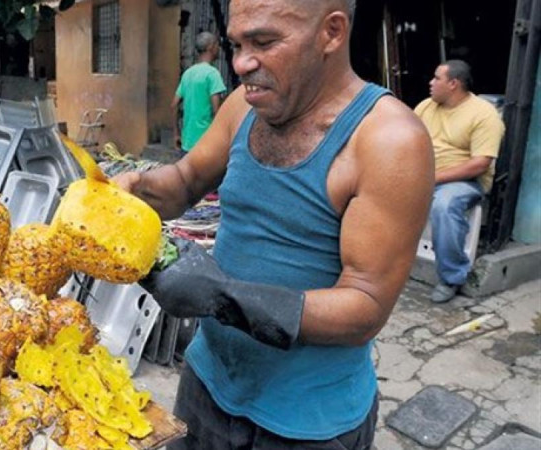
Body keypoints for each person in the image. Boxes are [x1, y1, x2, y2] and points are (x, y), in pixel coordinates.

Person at [114, 0, 434, 448]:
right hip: (207, 384)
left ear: (332, 32)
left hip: (307, 424)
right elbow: (186, 180)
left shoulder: (388, 142)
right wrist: (132, 192)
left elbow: (364, 307)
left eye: (264, 42)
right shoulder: (244, 109)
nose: (242, 64)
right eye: (237, 44)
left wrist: (225, 296)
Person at [415, 60, 505, 303]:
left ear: (453, 84)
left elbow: (480, 164)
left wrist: (432, 179)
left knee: (444, 205)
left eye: (437, 78)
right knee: (374, 188)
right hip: (422, 174)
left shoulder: (483, 114)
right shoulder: (426, 106)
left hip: (465, 181)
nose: (430, 83)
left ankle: (452, 277)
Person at [172, 32, 227, 152]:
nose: (219, 48)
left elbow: (174, 104)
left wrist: (176, 134)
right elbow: (217, 111)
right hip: (205, 144)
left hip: (187, 143)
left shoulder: (188, 73)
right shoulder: (212, 74)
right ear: (211, 47)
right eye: (217, 44)